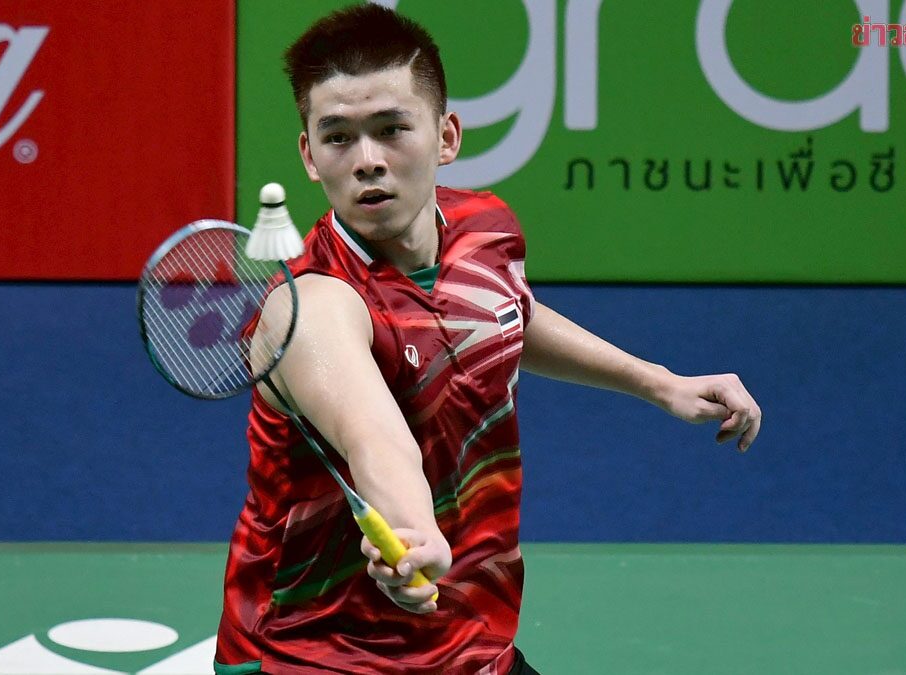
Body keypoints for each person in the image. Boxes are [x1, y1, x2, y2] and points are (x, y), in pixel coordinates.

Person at [214, 5, 762, 674]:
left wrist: (659, 382)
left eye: (391, 129)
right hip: (314, 651)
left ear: (446, 137)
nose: (367, 161)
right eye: (338, 138)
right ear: (308, 154)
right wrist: (416, 532)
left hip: (469, 634)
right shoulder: (312, 309)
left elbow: (504, 316)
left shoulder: (484, 228)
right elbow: (375, 441)